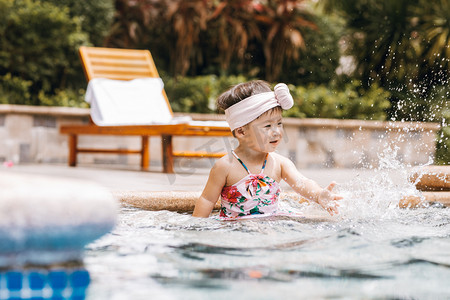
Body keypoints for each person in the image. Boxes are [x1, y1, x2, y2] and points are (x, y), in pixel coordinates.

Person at [192, 80, 342, 219]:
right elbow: (207, 200)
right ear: (241, 132)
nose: (276, 131)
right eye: (268, 126)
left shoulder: (280, 163)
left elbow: (302, 182)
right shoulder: (225, 167)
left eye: (279, 123)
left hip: (271, 224)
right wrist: (196, 228)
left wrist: (318, 195)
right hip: (236, 229)